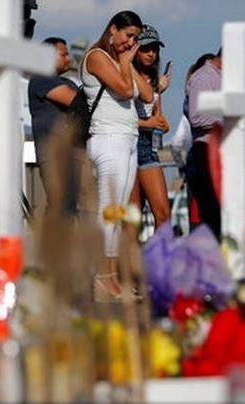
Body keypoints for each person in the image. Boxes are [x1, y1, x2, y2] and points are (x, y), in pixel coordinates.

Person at [81, 10, 153, 299]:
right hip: (108, 138)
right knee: (108, 209)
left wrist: (128, 62)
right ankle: (99, 275)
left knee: (118, 210)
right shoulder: (97, 56)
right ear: (113, 29)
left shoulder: (120, 61)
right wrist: (124, 63)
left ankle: (109, 276)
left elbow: (146, 94)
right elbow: (124, 91)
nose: (131, 42)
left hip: (127, 139)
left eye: (136, 37)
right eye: (127, 35)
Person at [28, 37, 80, 214]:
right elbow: (75, 100)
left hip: (69, 154)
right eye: (63, 54)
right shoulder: (41, 79)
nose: (68, 58)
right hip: (53, 155)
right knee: (61, 206)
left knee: (69, 207)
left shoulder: (68, 82)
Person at [129, 24, 171, 230]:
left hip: (148, 147)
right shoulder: (126, 76)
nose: (151, 53)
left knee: (163, 214)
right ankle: (132, 261)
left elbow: (158, 117)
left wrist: (161, 123)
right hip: (129, 145)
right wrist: (149, 124)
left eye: (155, 49)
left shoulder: (154, 80)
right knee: (133, 216)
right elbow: (118, 118)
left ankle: (158, 261)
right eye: (146, 48)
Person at [185, 48, 222, 239]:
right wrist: (228, 119)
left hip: (225, 154)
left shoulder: (226, 79)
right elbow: (197, 117)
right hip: (206, 152)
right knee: (211, 217)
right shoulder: (203, 78)